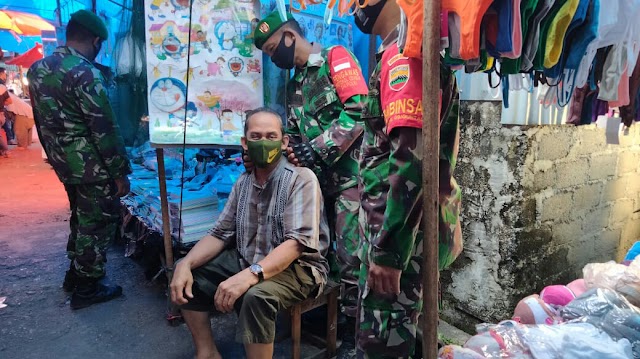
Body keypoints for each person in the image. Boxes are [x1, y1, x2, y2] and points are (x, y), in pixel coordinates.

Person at [170, 107, 330, 359]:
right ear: (244, 142)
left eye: (271, 136)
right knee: (190, 274)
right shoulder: (243, 182)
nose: (264, 143)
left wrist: (250, 275)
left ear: (284, 141)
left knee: (257, 296)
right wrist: (185, 262)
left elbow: (296, 244)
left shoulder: (301, 179)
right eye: (256, 137)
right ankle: (207, 352)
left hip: (299, 269)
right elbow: (219, 233)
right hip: (249, 258)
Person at [353, 1, 463, 358]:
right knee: (405, 337)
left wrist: (388, 252)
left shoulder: (404, 56)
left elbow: (412, 161)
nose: (355, 7)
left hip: (399, 240)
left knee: (383, 347)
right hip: (401, 235)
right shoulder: (404, 50)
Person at [253, 11, 368, 325]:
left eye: (274, 49)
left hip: (350, 182)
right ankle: (332, 318)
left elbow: (359, 110)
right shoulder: (293, 86)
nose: (274, 58)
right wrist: (286, 148)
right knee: (322, 251)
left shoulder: (336, 59)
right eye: (269, 55)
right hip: (318, 185)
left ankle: (354, 328)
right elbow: (293, 132)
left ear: (290, 37)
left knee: (351, 257)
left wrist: (316, 147)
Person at [28, 10, 132, 310]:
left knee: (80, 216)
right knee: (96, 223)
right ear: (96, 40)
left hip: (64, 162)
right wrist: (119, 172)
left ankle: (75, 275)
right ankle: (88, 286)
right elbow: (104, 127)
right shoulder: (84, 72)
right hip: (91, 164)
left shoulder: (38, 69)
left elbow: (41, 119)